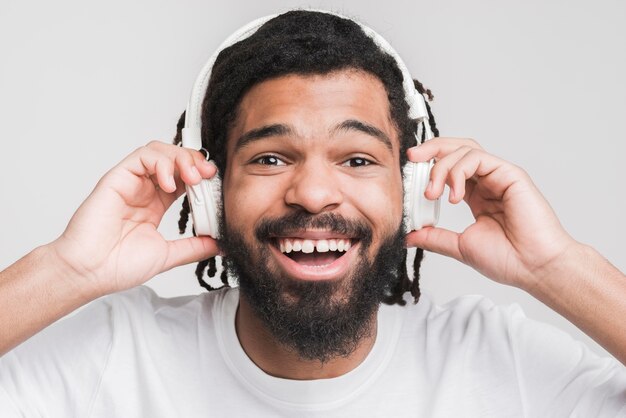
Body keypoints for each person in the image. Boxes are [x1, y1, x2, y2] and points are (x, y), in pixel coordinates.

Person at [1, 10, 625, 417]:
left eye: (357, 159)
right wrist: (66, 270)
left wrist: (557, 266)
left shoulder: (499, 363)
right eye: (271, 158)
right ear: (210, 193)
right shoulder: (110, 358)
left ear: (410, 189)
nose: (314, 194)